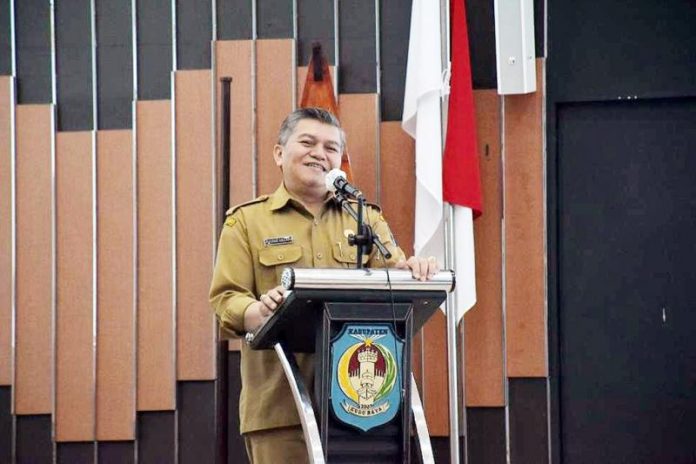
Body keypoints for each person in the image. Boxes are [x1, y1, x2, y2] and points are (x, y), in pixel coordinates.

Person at [209, 107, 440, 463]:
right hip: (281, 409)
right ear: (279, 153)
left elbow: (395, 279)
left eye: (331, 148)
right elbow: (226, 300)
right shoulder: (246, 222)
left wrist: (414, 270)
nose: (320, 153)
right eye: (308, 142)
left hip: (365, 408)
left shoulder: (364, 218)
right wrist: (259, 309)